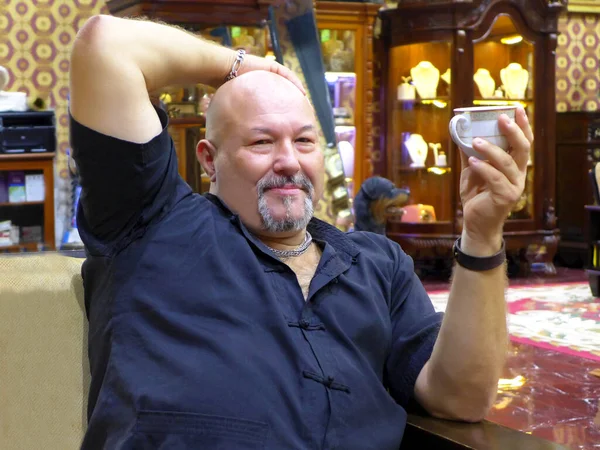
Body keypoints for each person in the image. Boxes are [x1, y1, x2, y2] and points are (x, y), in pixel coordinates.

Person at [69, 15, 532, 450]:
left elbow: (461, 399)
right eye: (262, 141)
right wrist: (248, 67)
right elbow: (105, 46)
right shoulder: (152, 222)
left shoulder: (378, 264)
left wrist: (483, 231)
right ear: (209, 160)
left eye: (305, 140)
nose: (289, 161)